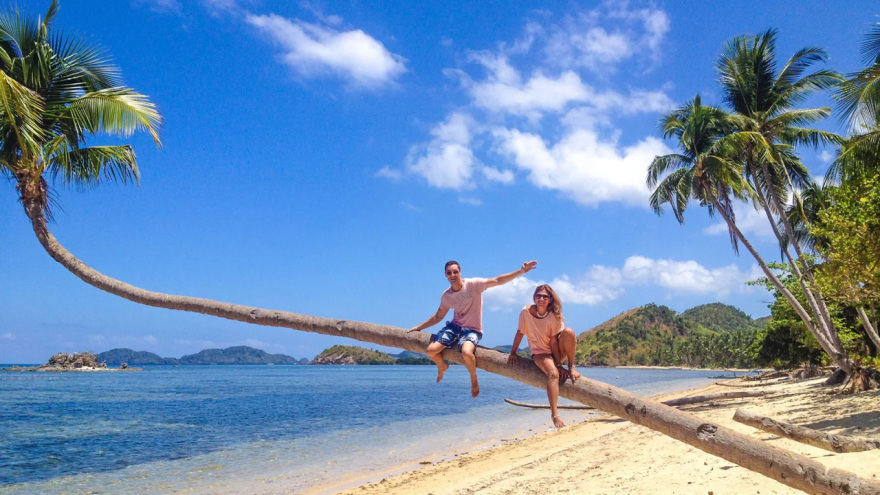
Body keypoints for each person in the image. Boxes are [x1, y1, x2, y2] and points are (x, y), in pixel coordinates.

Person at [409, 260, 537, 398]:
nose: (452, 275)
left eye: (455, 272)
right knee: (431, 351)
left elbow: (498, 280)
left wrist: (521, 271)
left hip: (472, 330)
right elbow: (438, 316)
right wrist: (419, 327)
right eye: (449, 273)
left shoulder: (473, 285)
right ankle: (442, 366)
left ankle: (473, 378)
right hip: (454, 327)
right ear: (445, 275)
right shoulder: (447, 296)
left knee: (467, 352)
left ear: (460, 272)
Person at [507, 284, 581, 427]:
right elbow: (520, 332)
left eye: (545, 296)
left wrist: (559, 363)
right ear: (534, 297)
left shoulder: (553, 316)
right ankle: (555, 414)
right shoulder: (525, 312)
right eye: (538, 295)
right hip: (539, 353)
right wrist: (513, 352)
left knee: (569, 332)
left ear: (550, 299)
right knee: (553, 374)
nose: (541, 298)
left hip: (555, 352)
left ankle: (572, 366)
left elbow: (554, 342)